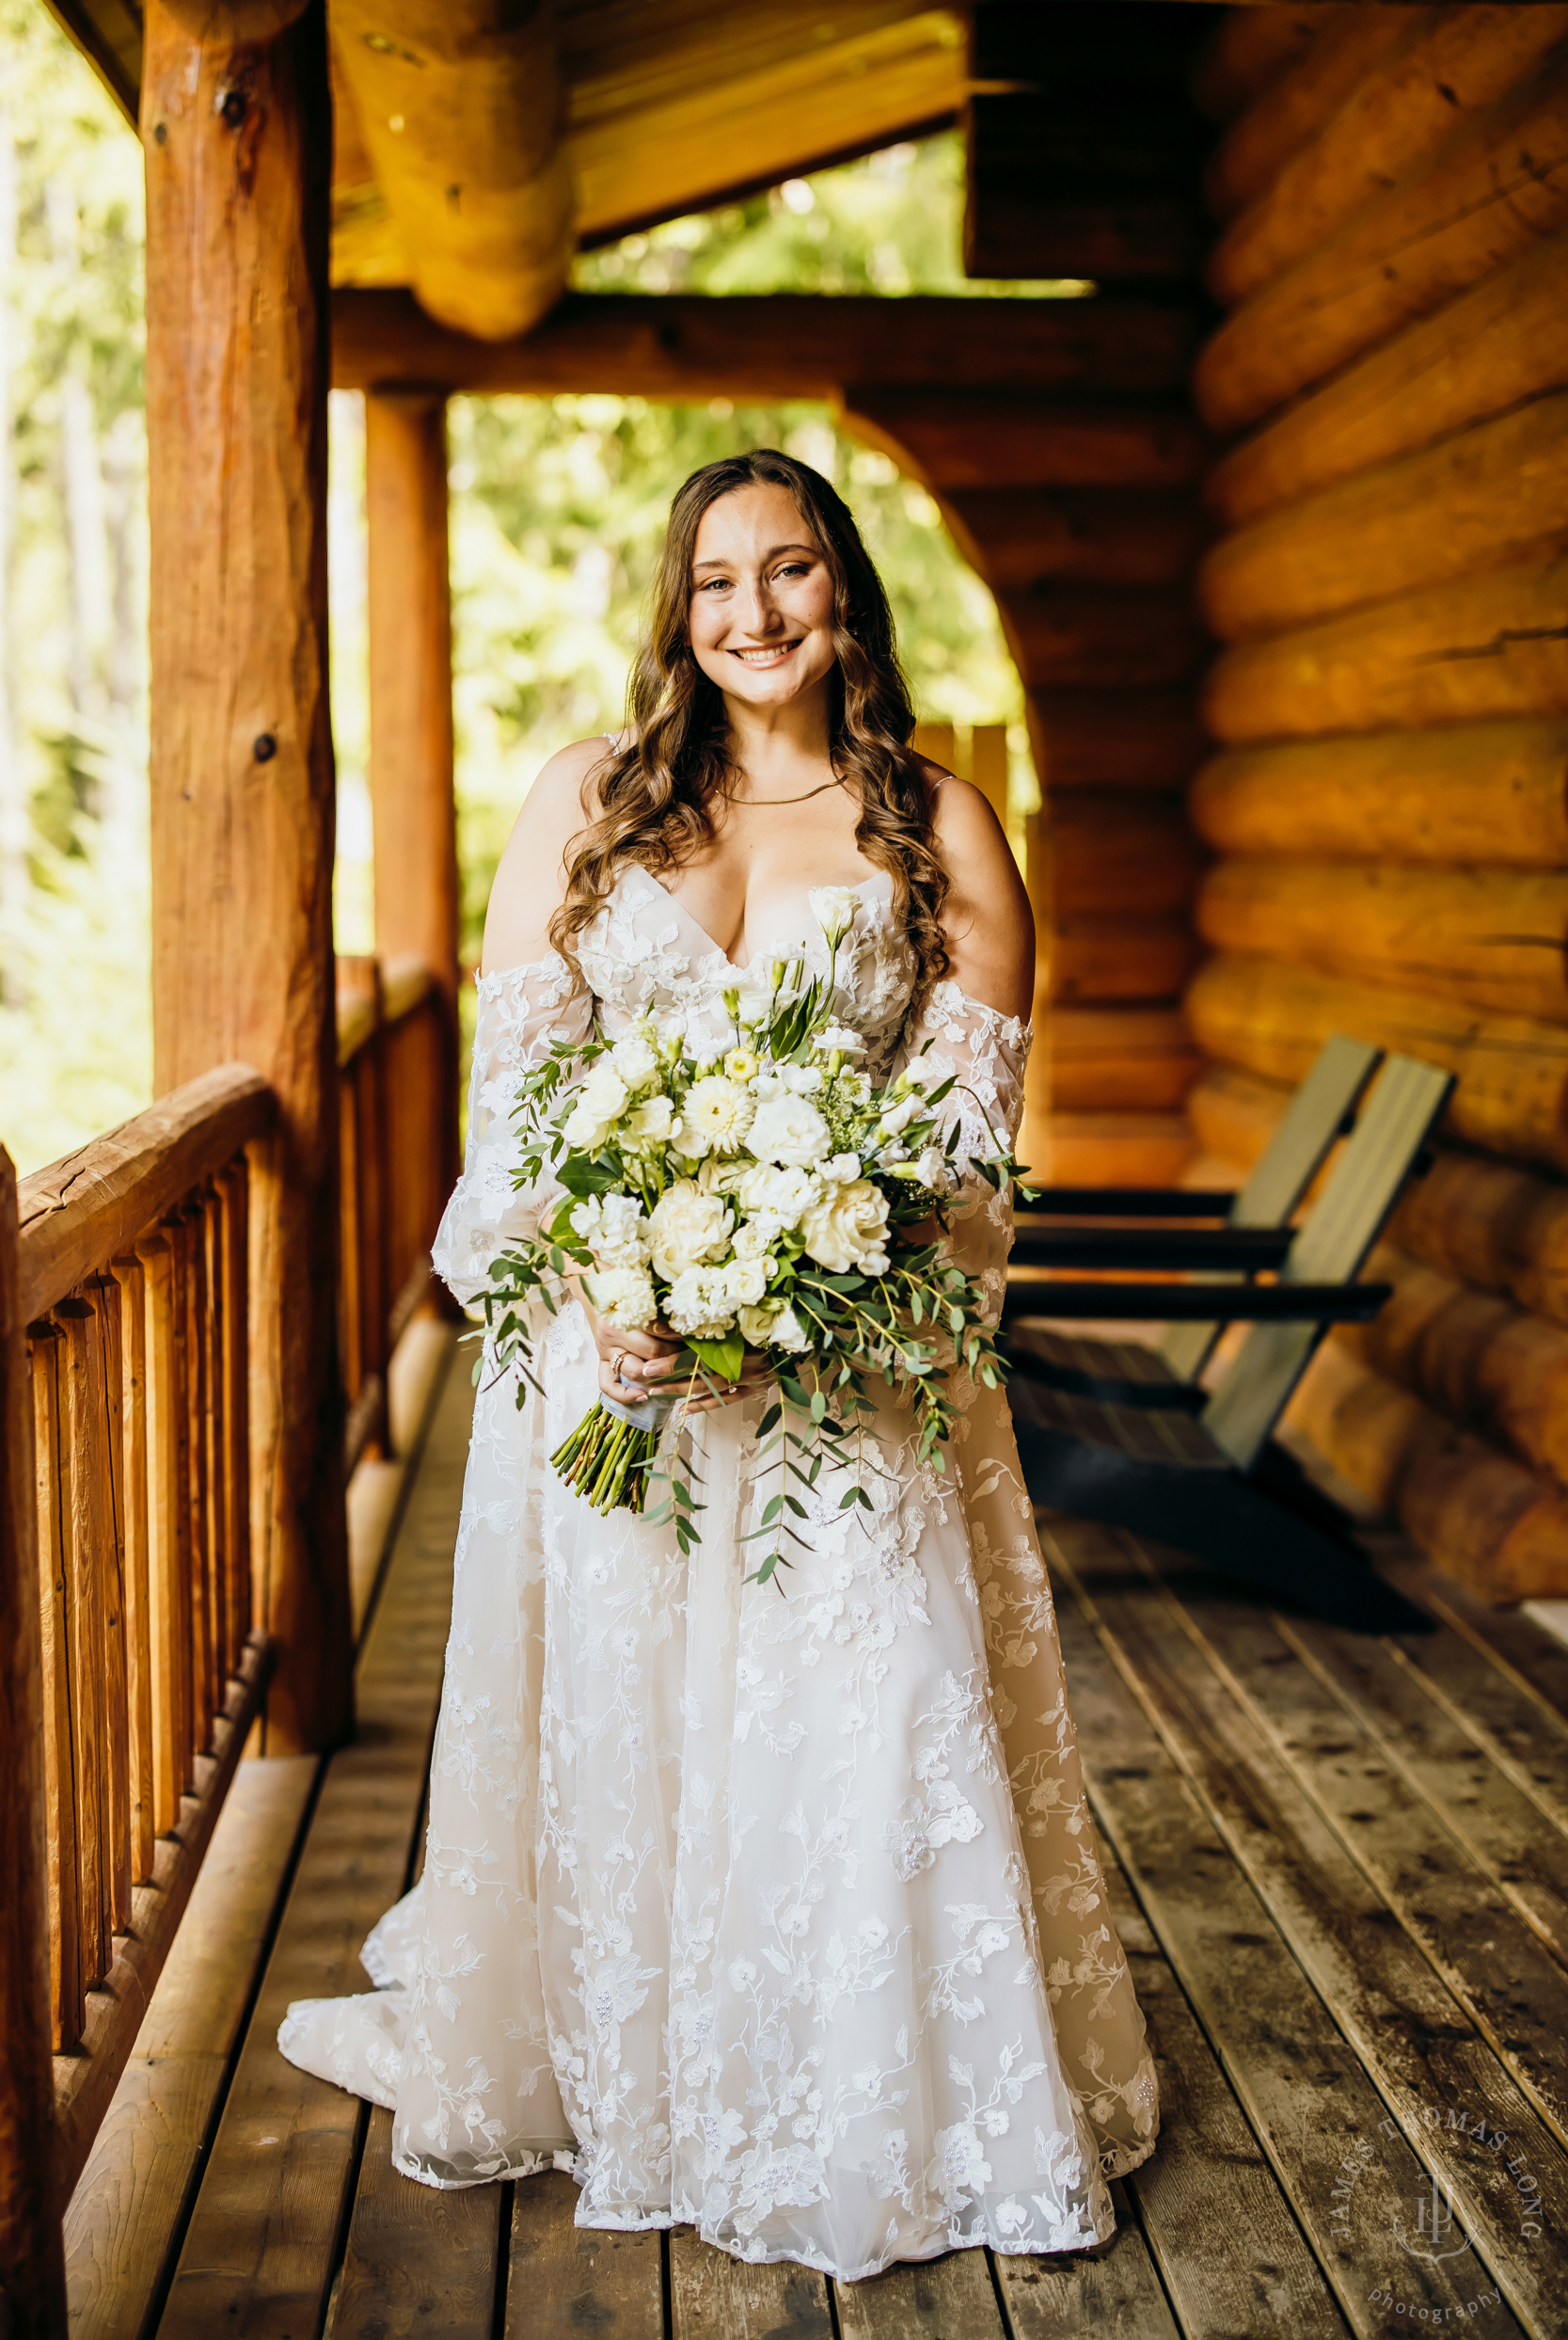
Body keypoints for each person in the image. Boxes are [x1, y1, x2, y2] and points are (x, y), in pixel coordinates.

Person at [278, 449, 1157, 2280]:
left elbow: (970, 1156)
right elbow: (512, 1116)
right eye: (716, 584)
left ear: (848, 590)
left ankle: (867, 2090)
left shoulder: (944, 827)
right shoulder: (586, 808)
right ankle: (646, 2061)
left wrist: (809, 1269)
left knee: (864, 1721)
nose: (756, 613)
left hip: (853, 1388)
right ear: (678, 618)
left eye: (793, 571)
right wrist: (610, 1278)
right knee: (637, 1730)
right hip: (620, 1386)